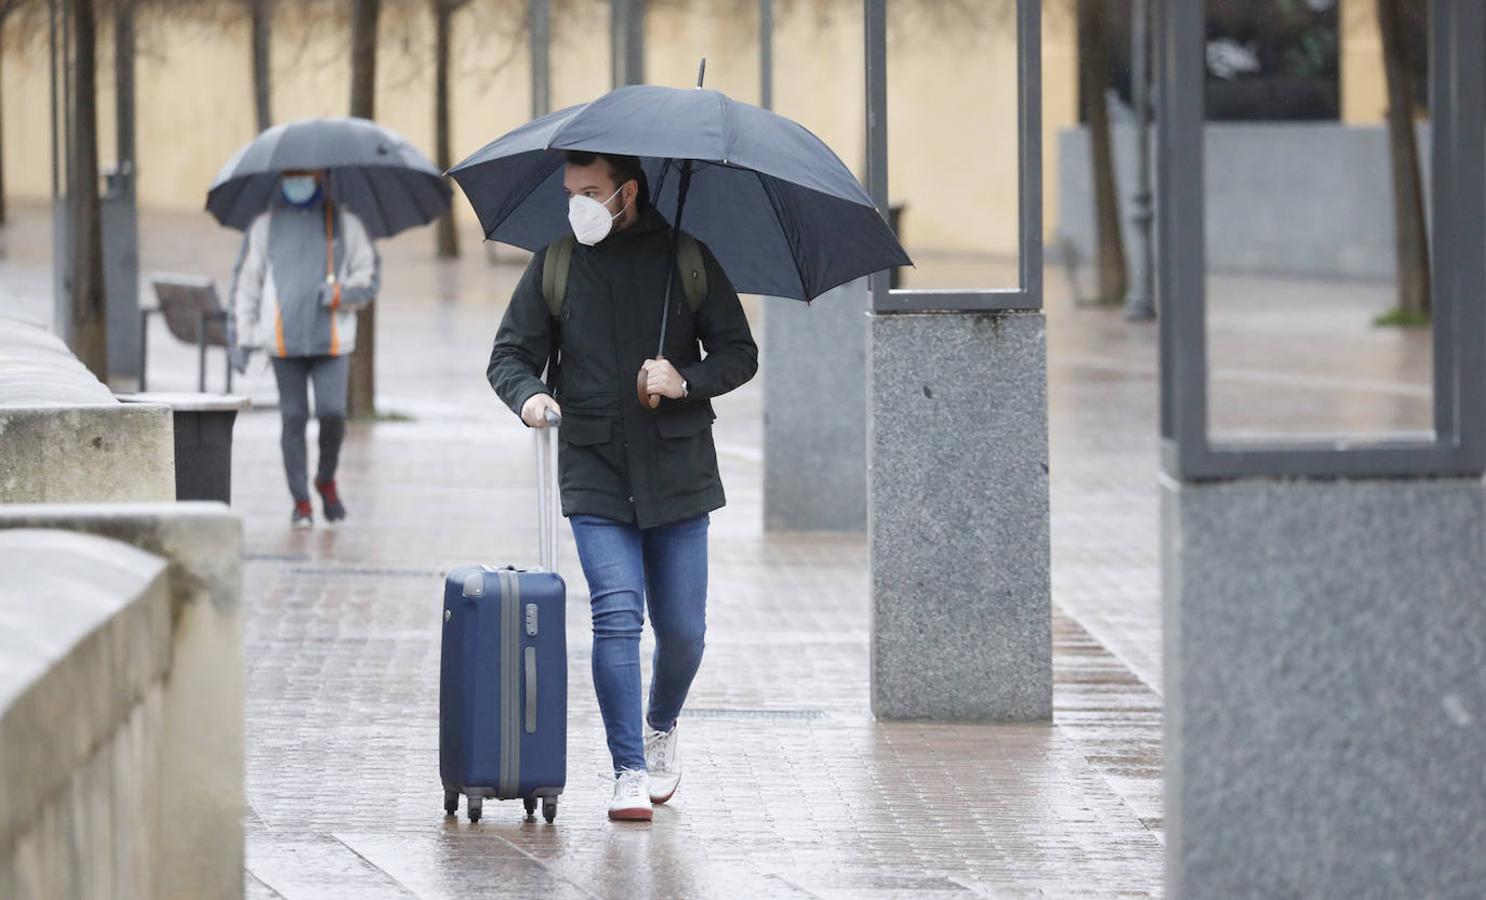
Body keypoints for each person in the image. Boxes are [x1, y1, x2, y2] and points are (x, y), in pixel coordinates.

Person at [487, 151, 758, 821]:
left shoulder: (687, 261)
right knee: (615, 615)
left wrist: (684, 379)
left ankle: (660, 724)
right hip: (594, 467)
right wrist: (531, 398)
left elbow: (739, 352)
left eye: (591, 191)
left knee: (684, 632)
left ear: (626, 193)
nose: (577, 203)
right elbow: (509, 357)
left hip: (678, 471)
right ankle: (628, 769)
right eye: (571, 192)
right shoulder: (555, 264)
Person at [230, 169, 380, 529]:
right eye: (291, 175)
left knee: (332, 413)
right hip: (283, 342)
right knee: (293, 418)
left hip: (331, 340)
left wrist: (342, 294)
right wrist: (244, 335)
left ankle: (325, 478)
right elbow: (249, 280)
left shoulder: (344, 225)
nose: (298, 181)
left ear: (321, 177)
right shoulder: (266, 226)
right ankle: (301, 502)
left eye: (305, 174)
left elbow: (368, 277)